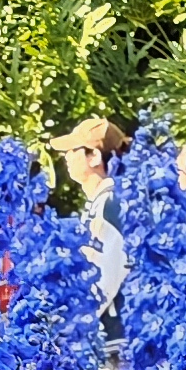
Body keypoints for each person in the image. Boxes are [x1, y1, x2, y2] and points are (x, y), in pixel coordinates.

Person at [48, 116, 131, 321]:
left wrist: (71, 325)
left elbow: (106, 278)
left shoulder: (110, 204)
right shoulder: (103, 202)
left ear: (94, 156)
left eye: (73, 150)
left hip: (112, 336)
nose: (66, 156)